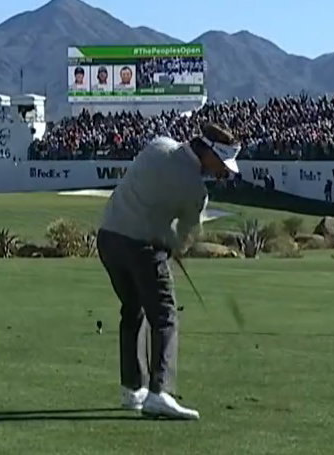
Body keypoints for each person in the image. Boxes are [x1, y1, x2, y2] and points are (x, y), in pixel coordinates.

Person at [96, 123, 240, 420]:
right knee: (164, 314)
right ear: (209, 152)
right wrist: (171, 247)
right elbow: (184, 237)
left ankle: (132, 389)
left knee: (133, 309)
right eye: (221, 165)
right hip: (141, 247)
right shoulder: (196, 191)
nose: (222, 172)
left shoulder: (158, 145)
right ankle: (159, 392)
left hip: (108, 238)